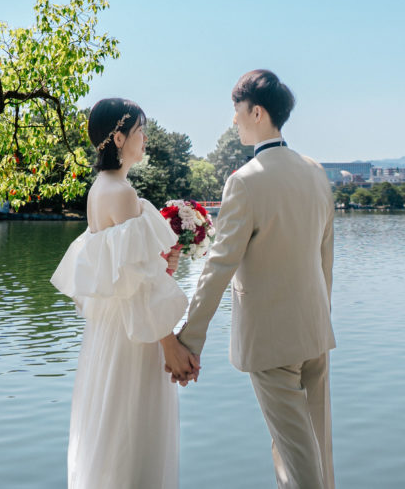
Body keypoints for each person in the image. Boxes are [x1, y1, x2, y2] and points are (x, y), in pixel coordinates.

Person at [171, 70, 335, 489]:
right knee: (313, 449)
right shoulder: (316, 172)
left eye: (236, 110)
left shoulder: (245, 181)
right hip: (315, 331)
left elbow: (218, 267)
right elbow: (325, 259)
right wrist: (320, 316)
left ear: (257, 112)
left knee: (298, 463)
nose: (233, 121)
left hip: (272, 341)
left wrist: (188, 339)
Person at [50, 98, 188, 489]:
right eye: (140, 130)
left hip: (111, 331)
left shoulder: (103, 188)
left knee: (113, 429)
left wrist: (164, 265)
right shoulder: (122, 194)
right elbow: (140, 288)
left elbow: (128, 274)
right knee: (134, 431)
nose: (146, 138)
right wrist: (172, 347)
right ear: (117, 137)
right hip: (134, 334)